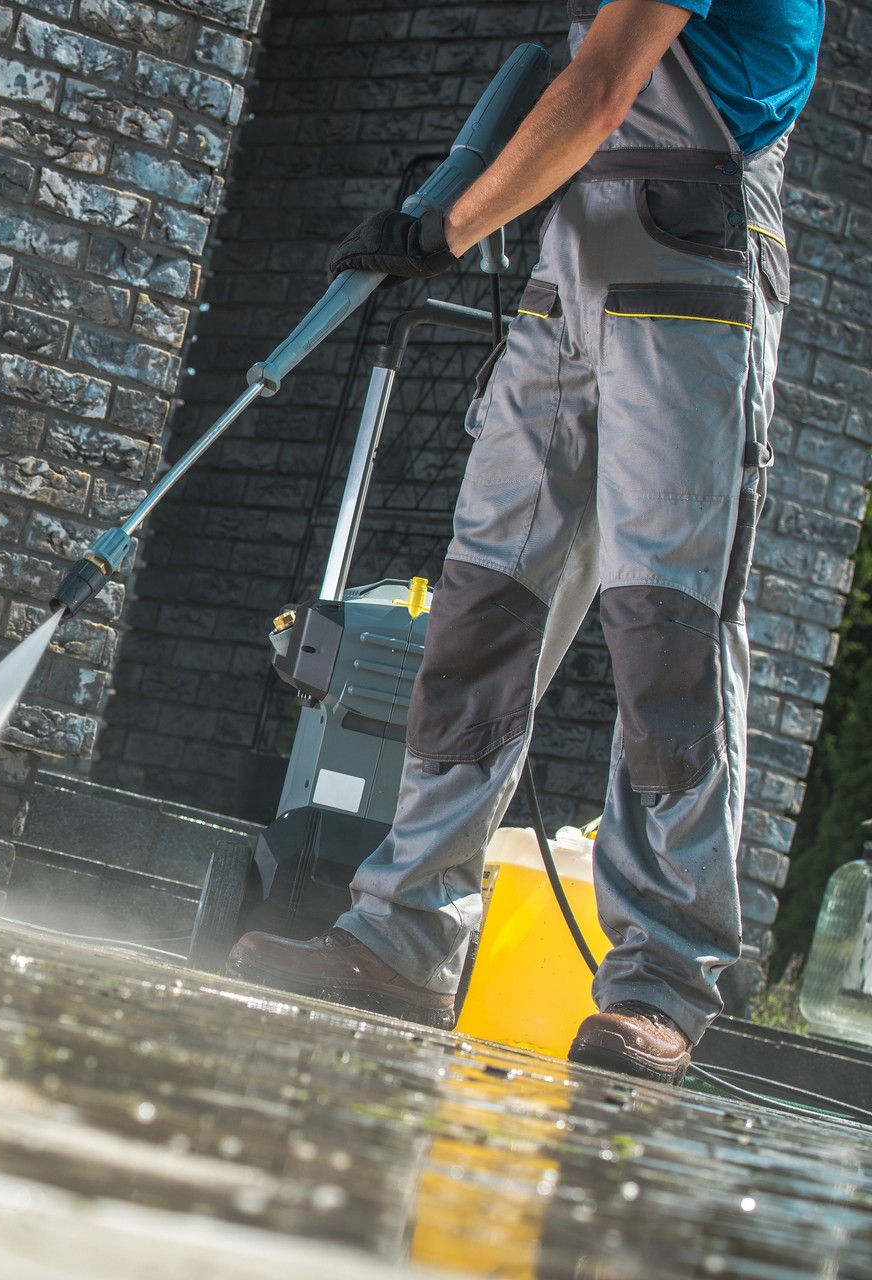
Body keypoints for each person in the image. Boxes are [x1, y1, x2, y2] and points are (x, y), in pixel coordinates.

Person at [229, 0, 825, 1084]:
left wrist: (443, 226)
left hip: (696, 260)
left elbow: (600, 90)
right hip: (574, 262)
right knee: (486, 609)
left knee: (667, 625)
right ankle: (402, 937)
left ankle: (662, 980)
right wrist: (471, 193)